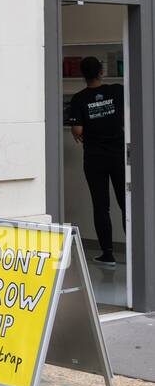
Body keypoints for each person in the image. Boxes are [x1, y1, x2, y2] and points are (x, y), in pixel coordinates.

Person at [67, 56, 125, 266]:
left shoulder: (79, 99)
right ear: (101, 71)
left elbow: (78, 130)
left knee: (101, 206)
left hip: (94, 158)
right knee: (125, 203)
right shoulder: (117, 91)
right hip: (118, 154)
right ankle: (134, 248)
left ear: (83, 75)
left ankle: (107, 253)